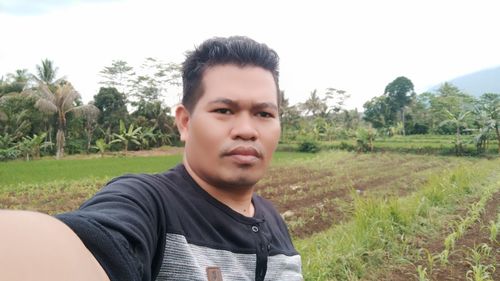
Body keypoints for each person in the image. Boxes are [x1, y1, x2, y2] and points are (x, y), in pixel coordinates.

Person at [0, 36, 303, 281]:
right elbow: (78, 248)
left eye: (264, 114)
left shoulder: (272, 219)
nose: (247, 130)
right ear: (185, 122)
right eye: (224, 111)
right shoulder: (149, 205)